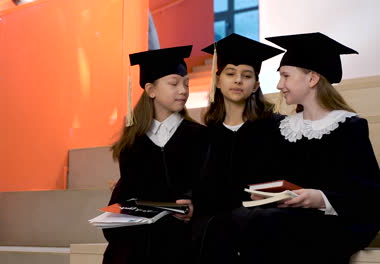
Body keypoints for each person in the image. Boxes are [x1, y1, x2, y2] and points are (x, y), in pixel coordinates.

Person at [231, 32, 380, 264]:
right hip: (286, 214)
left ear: (311, 79)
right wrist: (264, 193)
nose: (280, 85)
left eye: (286, 76)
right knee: (242, 216)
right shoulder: (284, 128)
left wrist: (319, 198)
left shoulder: (348, 127)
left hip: (331, 219)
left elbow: (368, 194)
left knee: (269, 223)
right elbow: (271, 178)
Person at [102, 45, 209, 264]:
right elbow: (126, 197)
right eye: (174, 83)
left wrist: (195, 206)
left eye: (186, 84)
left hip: (182, 235)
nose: (183, 90)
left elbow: (209, 187)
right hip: (142, 236)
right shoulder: (132, 143)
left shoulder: (199, 136)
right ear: (151, 90)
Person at [192, 33, 284, 263]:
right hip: (213, 236)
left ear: (256, 86)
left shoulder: (276, 128)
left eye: (247, 75)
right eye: (230, 73)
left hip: (260, 232)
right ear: (217, 80)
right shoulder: (204, 136)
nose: (238, 80)